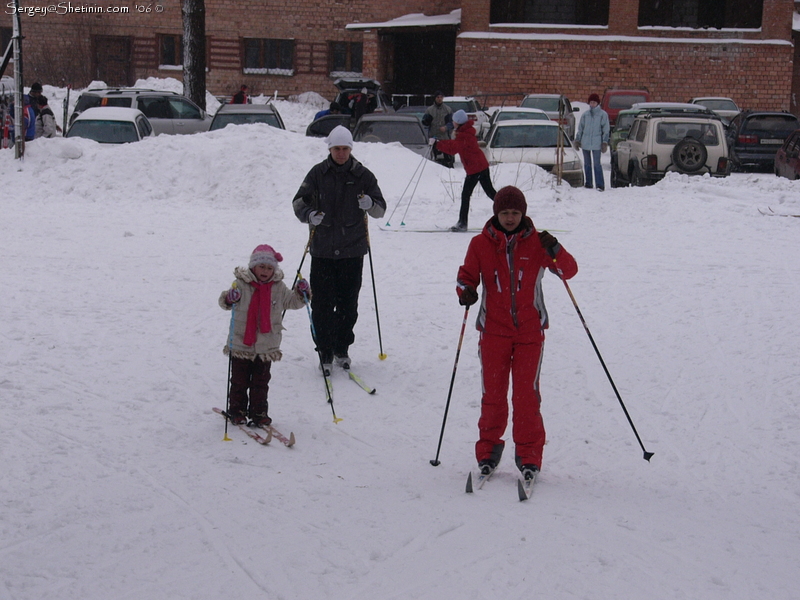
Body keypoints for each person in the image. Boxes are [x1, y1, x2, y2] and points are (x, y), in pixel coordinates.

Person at [456, 185, 578, 481]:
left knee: (526, 397)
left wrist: (556, 250)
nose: (510, 218)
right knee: (493, 395)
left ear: (523, 213)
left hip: (529, 333)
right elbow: (466, 276)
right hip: (493, 332)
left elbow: (568, 271)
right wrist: (466, 291)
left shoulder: (538, 243)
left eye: (515, 213)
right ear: (496, 213)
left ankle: (529, 455)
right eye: (504, 212)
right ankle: (488, 452)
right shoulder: (480, 244)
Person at [292, 125, 386, 374]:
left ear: (351, 149)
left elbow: (381, 209)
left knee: (348, 304)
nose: (341, 153)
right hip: (322, 250)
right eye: (337, 149)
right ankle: (324, 350)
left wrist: (370, 203)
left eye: (345, 149)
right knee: (322, 304)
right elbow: (298, 202)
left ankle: (342, 348)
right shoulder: (317, 173)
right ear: (330, 149)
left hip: (352, 252)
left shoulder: (362, 175)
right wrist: (310, 215)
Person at [219, 244, 307, 426]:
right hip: (241, 343)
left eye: (269, 268)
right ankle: (237, 411)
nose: (265, 271)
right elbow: (226, 302)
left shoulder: (278, 287)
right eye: (262, 267)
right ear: (253, 267)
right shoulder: (241, 284)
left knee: (261, 382)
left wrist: (302, 293)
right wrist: (230, 297)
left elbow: (293, 302)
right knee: (239, 381)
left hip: (266, 346)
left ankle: (259, 413)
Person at [434, 109, 497, 232]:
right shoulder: (464, 132)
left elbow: (452, 149)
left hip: (476, 169)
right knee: (490, 193)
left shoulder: (464, 135)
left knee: (467, 195)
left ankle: (463, 223)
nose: (452, 123)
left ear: (457, 122)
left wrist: (437, 145)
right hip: (479, 167)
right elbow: (454, 144)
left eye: (454, 121)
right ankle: (508, 206)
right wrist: (439, 142)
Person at [574, 93, 610, 191]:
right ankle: (588, 183)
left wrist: (604, 142)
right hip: (585, 143)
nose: (592, 104)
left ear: (597, 103)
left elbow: (606, 129)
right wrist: (578, 140)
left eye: (594, 102)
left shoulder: (602, 115)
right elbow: (580, 128)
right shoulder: (585, 115)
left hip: (597, 143)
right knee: (587, 164)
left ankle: (600, 184)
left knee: (597, 164)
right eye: (591, 102)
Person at [421, 91, 453, 167]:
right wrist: (426, 121)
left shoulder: (447, 109)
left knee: (447, 161)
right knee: (433, 161)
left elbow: (452, 123)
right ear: (435, 98)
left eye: (441, 97)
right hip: (433, 138)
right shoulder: (430, 110)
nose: (439, 99)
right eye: (438, 97)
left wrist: (445, 128)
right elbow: (424, 122)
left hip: (445, 139)